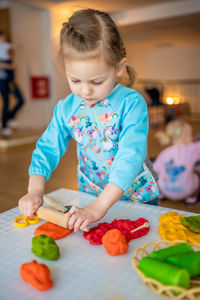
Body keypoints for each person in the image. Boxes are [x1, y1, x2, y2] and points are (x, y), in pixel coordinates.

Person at [18, 9, 159, 232]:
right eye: (75, 80)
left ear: (119, 68)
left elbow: (130, 156)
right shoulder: (66, 108)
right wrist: (35, 189)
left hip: (135, 196)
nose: (85, 91)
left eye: (96, 81)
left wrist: (102, 204)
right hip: (89, 194)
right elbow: (47, 148)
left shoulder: (132, 103)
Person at [154, 119, 200, 205]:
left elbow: (154, 170)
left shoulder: (164, 153)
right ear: (184, 136)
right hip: (187, 190)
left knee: (158, 175)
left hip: (166, 189)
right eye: (190, 134)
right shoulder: (193, 149)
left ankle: (160, 195)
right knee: (197, 174)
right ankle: (192, 198)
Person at [0, 30, 25, 136]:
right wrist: (9, 66)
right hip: (1, 80)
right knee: (6, 100)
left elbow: (17, 47)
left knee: (21, 100)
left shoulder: (5, 48)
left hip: (11, 80)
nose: (3, 40)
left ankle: (9, 118)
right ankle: (4, 125)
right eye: (2, 38)